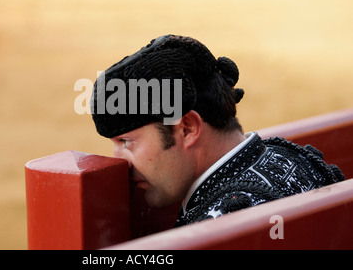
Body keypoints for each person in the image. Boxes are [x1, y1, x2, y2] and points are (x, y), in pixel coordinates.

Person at [90, 34, 345, 227]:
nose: (118, 160)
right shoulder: (293, 158)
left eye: (126, 141)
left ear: (187, 128)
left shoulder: (219, 220)